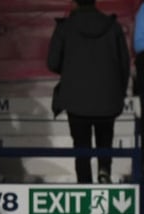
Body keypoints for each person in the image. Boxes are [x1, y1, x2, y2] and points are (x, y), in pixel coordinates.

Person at [47, 0, 131, 184]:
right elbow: (125, 65)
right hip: (108, 97)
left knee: (81, 148)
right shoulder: (113, 27)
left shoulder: (65, 28)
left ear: (74, 2)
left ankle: (84, 184)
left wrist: (71, 69)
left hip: (76, 99)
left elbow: (52, 63)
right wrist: (120, 92)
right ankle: (104, 170)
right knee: (105, 140)